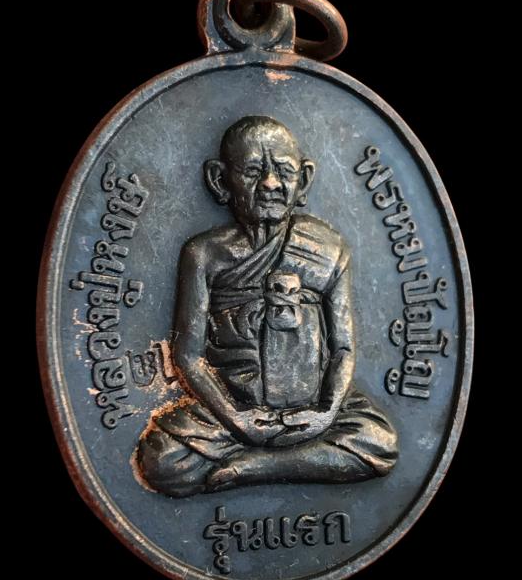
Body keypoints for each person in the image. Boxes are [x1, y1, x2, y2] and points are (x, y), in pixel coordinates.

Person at [136, 116, 398, 497]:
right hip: (233, 409)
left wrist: (326, 412)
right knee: (160, 458)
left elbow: (342, 348)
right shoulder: (205, 254)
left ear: (304, 180)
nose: (271, 184)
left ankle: (257, 468)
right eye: (253, 171)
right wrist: (237, 418)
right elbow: (189, 355)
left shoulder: (328, 249)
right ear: (220, 180)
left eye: (285, 172)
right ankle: (298, 461)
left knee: (379, 441)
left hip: (310, 409)